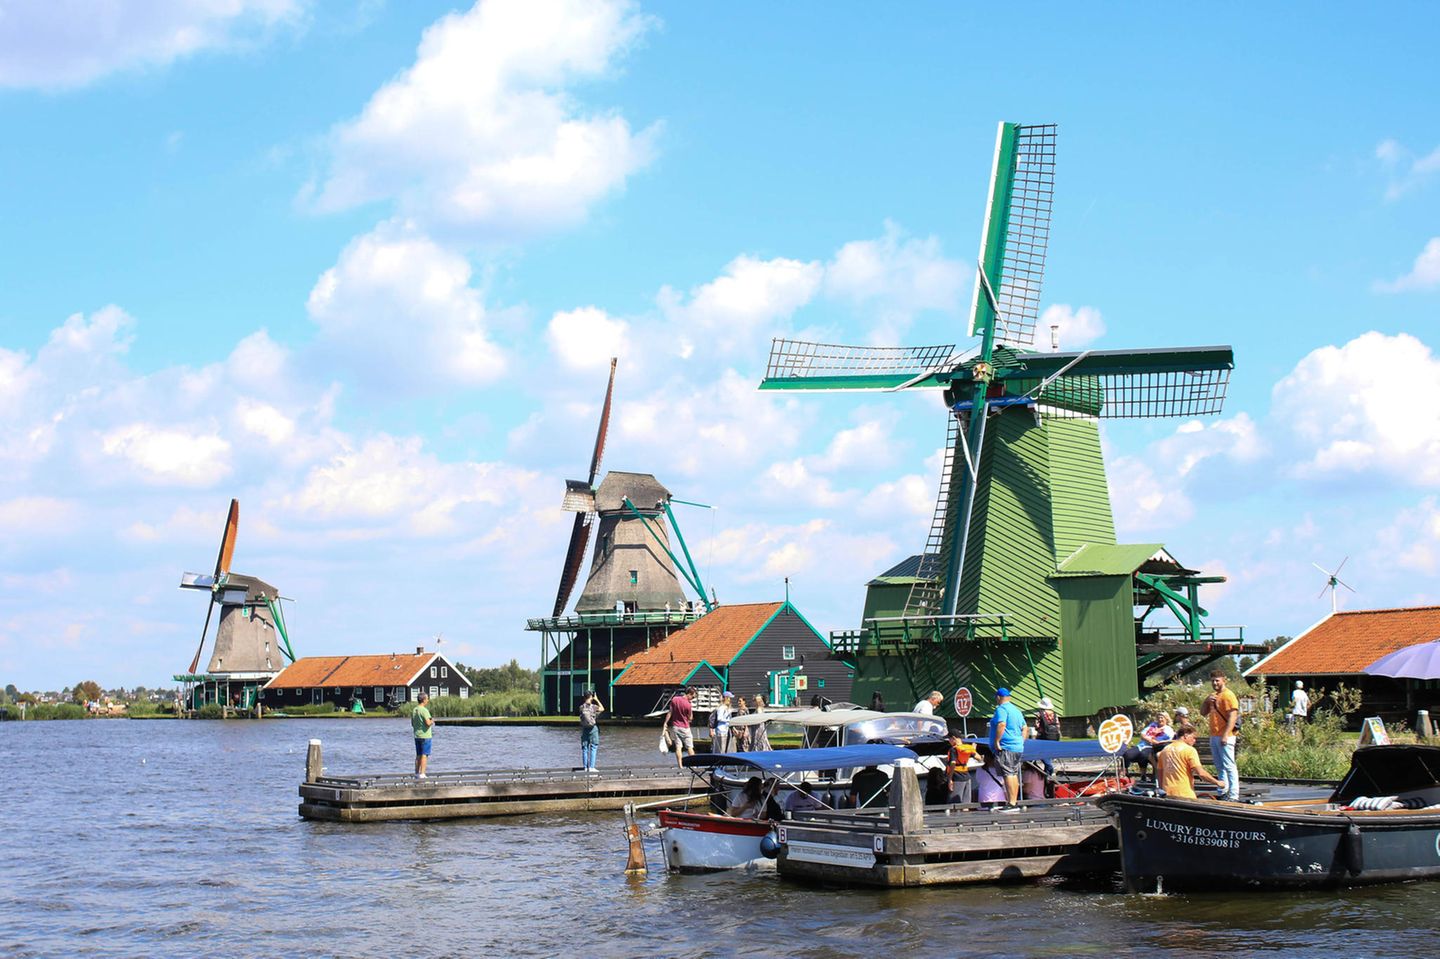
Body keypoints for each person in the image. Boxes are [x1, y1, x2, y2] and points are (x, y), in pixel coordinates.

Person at [1200, 669, 1240, 801]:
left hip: (1225, 735)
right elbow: (1202, 713)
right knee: (1219, 765)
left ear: (1224, 680)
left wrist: (1226, 735)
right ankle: (1223, 790)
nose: (1215, 683)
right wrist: (1206, 701)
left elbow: (1232, 716)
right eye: (1212, 681)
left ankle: (1234, 794)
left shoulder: (1228, 695)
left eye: (1217, 680)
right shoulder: (1213, 696)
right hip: (1214, 734)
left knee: (1229, 765)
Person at [1157, 722, 1224, 799]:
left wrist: (1162, 791)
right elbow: (1201, 773)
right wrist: (1217, 782)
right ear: (1185, 735)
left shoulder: (1165, 750)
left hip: (1168, 794)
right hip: (1184, 794)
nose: (1194, 740)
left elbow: (1160, 773)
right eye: (1193, 737)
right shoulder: (1189, 750)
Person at [988, 687, 1028, 807]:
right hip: (1017, 747)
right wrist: (1021, 741)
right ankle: (1013, 801)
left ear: (998, 697)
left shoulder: (1002, 709)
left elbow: (1002, 724)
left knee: (1008, 773)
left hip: (1006, 747)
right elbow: (1025, 727)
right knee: (1013, 773)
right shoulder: (1016, 710)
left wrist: (997, 741)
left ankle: (1011, 803)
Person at [1121, 711, 1173, 778]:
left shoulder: (1168, 730)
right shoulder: (1153, 725)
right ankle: (1124, 774)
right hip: (1141, 745)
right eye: (1158, 717)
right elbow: (1142, 734)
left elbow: (1157, 741)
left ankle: (1143, 775)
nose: (1160, 719)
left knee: (1144, 755)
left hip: (1152, 747)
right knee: (1127, 754)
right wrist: (1149, 739)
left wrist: (1148, 738)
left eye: (1162, 718)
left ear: (1166, 719)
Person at [662, 686, 695, 767]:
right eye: (693, 697)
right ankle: (694, 765)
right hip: (685, 727)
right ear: (689, 694)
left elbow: (670, 712)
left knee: (678, 747)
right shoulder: (688, 705)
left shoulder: (675, 699)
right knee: (690, 747)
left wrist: (665, 723)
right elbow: (690, 718)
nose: (693, 698)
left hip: (675, 727)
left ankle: (680, 766)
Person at [946, 734, 978, 804]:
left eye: (949, 739)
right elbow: (979, 758)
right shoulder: (967, 748)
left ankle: (955, 815)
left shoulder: (953, 749)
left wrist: (950, 779)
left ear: (953, 738)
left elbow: (953, 763)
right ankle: (966, 814)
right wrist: (973, 750)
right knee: (966, 803)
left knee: (954, 804)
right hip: (967, 777)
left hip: (956, 777)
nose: (949, 741)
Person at [578, 690, 604, 771]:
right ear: (591, 697)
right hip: (593, 729)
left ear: (584, 697)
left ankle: (585, 767)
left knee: (585, 748)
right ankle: (592, 767)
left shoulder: (581, 707)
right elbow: (602, 709)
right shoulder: (593, 707)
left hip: (585, 729)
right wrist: (596, 699)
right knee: (593, 747)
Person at [412, 692, 434, 779]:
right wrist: (432, 721)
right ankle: (423, 773)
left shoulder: (415, 710)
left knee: (418, 754)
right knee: (425, 755)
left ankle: (417, 773)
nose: (428, 700)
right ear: (424, 700)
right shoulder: (424, 710)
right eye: (427, 698)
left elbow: (412, 723)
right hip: (425, 736)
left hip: (417, 735)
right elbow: (428, 723)